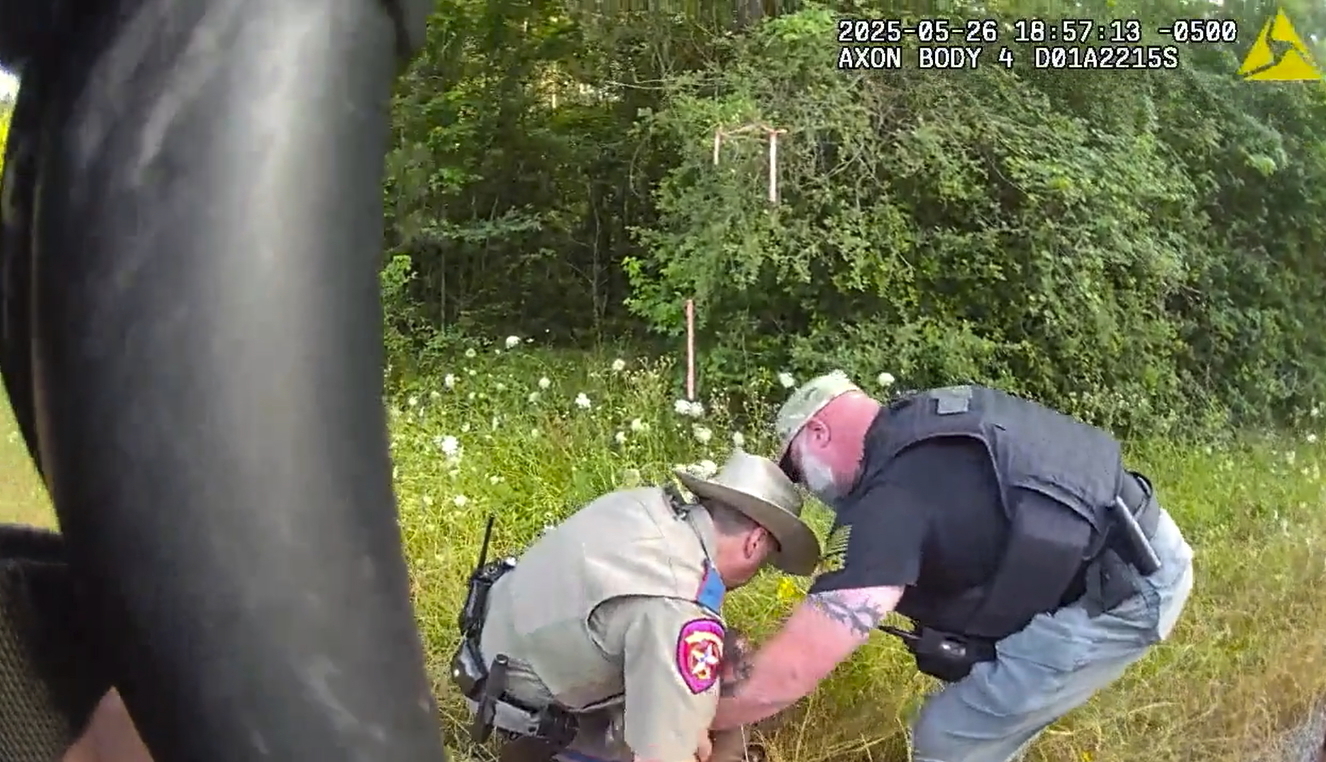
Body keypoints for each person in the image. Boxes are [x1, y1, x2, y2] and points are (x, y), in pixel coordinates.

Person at [709, 373, 1196, 762]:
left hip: (1124, 591)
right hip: (1127, 543)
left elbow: (794, 668)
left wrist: (691, 716)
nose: (807, 488)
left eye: (796, 468)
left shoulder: (893, 496)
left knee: (950, 739)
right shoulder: (921, 435)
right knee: (984, 718)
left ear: (818, 431)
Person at [453, 450, 821, 762]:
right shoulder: (681, 606)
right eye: (767, 558)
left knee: (720, 654)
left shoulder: (641, 505)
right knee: (714, 677)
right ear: (754, 543)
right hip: (528, 716)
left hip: (489, 659)